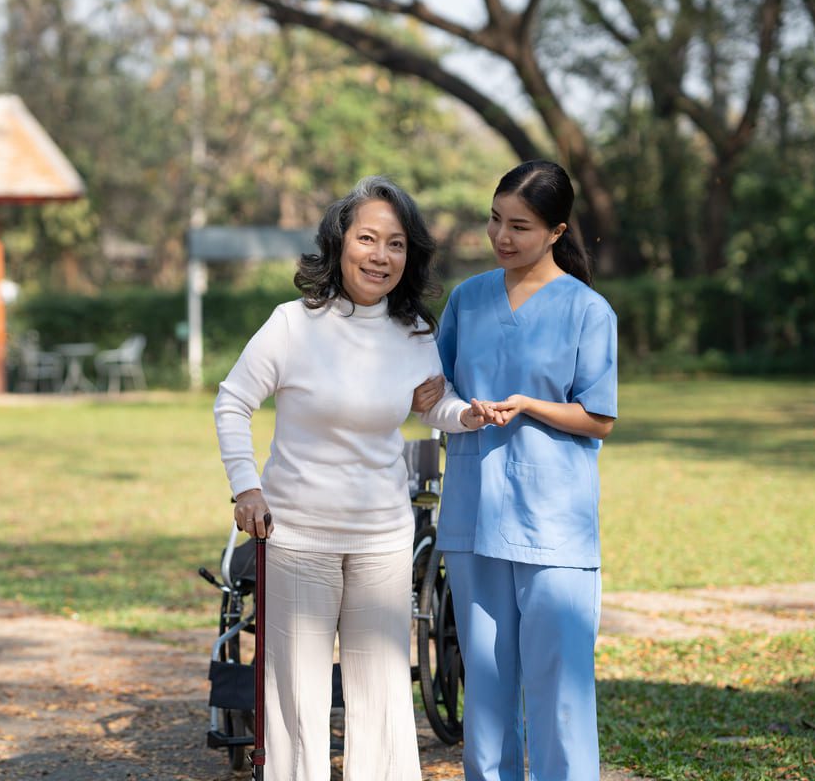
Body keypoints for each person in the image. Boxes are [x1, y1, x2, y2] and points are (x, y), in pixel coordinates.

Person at [214, 176, 485, 781]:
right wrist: (245, 486)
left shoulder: (415, 332)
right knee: (298, 694)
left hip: (382, 537)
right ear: (339, 243)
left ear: (408, 255)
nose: (380, 255)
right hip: (297, 536)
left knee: (384, 691)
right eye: (367, 238)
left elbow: (430, 407)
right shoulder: (292, 324)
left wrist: (467, 414)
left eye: (395, 244)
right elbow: (232, 402)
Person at [413, 159, 618, 780]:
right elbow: (433, 391)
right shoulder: (468, 300)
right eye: (495, 221)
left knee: (561, 688)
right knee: (490, 685)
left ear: (557, 231)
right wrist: (445, 404)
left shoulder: (588, 311)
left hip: (555, 523)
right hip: (476, 515)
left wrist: (528, 405)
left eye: (520, 226)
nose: (502, 237)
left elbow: (599, 418)